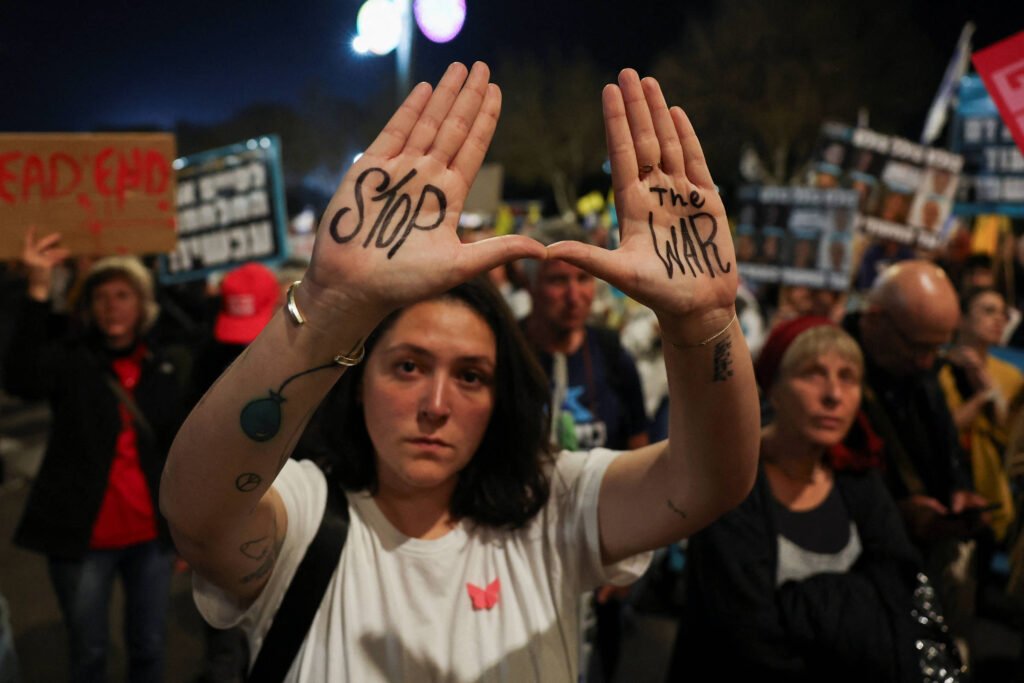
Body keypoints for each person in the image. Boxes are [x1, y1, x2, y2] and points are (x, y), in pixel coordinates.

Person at [160, 62, 760, 681]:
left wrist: (705, 320)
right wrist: (329, 307)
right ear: (359, 377)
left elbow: (710, 482)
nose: (436, 403)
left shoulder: (555, 505)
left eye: (472, 375)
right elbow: (197, 516)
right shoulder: (305, 513)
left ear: (503, 395)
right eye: (409, 366)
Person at [667, 316, 962, 682]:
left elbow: (896, 597)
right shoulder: (734, 482)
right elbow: (744, 636)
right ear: (771, 386)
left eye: (848, 377)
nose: (834, 395)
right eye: (812, 374)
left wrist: (796, 607)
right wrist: (854, 611)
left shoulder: (859, 479)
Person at [4, 233, 185, 683]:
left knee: (150, 648)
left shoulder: (165, 363)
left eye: (124, 295)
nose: (112, 306)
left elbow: (180, 447)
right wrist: (39, 290)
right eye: (101, 297)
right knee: (89, 653)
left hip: (150, 540)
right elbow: (22, 376)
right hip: (84, 542)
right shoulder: (73, 361)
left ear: (143, 304)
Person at [842, 260, 992, 662]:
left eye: (937, 347)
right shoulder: (835, 364)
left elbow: (943, 435)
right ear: (877, 320)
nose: (928, 361)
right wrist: (893, 513)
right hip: (857, 567)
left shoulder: (914, 362)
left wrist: (959, 488)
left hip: (920, 551)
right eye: (918, 346)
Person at [520, 217, 649, 680]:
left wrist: (628, 548)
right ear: (531, 283)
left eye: (583, 279)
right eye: (558, 280)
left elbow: (640, 458)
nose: (574, 294)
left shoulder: (613, 355)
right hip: (521, 555)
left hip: (599, 555)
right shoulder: (503, 348)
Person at [940, 287, 1022, 544]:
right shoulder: (938, 370)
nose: (999, 320)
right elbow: (945, 429)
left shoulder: (1011, 376)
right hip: (945, 487)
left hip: (990, 492)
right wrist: (981, 396)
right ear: (961, 318)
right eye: (988, 311)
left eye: (1003, 314)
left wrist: (987, 384)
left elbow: (1009, 435)